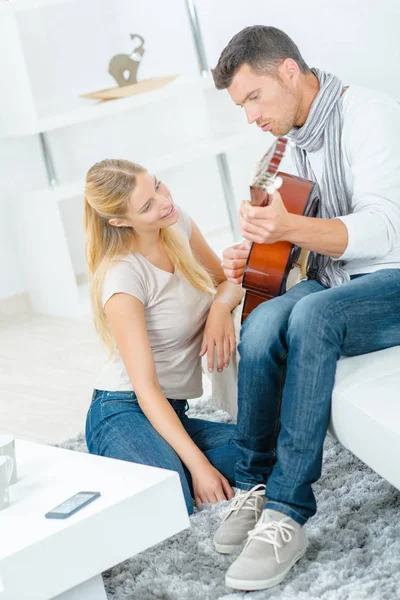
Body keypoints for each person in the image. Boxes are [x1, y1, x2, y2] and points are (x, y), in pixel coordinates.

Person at [211, 25, 400, 591]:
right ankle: (255, 482)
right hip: (333, 276)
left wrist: (290, 226)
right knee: (264, 321)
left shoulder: (371, 114)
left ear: (289, 72)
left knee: (312, 317)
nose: (249, 116)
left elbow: (386, 228)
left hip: (390, 277)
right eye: (241, 104)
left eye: (253, 97)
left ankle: (288, 512)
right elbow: (290, 244)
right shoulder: (287, 142)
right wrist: (255, 252)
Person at [83, 159, 243, 516]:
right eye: (147, 205)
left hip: (173, 412)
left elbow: (227, 280)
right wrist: (201, 468)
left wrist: (219, 310)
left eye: (157, 185)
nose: (163, 201)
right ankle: (143, 466)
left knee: (265, 451)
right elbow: (146, 390)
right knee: (171, 502)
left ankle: (146, 468)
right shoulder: (123, 276)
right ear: (120, 221)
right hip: (122, 410)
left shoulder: (177, 223)